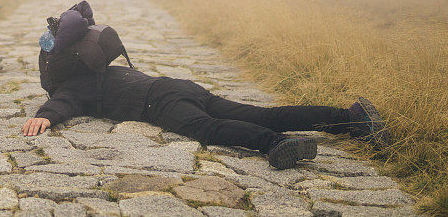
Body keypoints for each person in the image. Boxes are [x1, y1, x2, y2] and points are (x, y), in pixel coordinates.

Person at [21, 65, 390, 169]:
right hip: (181, 86)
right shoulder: (105, 67)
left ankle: (275, 145)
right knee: (267, 113)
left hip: (159, 103)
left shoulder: (73, 86)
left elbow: (64, 103)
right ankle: (355, 120)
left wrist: (45, 116)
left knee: (206, 130)